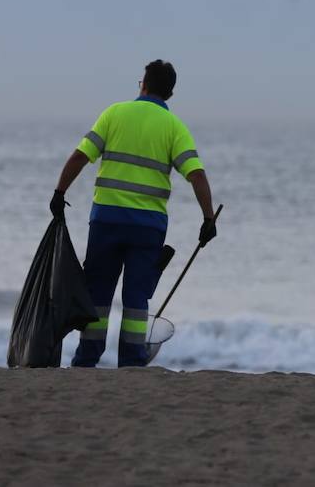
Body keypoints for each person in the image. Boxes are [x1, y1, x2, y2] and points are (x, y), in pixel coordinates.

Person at [51, 59, 218, 367]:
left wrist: (60, 192)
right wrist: (208, 218)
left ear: (143, 84)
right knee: (137, 298)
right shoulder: (174, 127)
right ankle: (131, 362)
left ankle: (87, 359)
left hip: (106, 221)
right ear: (170, 93)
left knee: (97, 292)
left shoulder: (114, 113)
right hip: (147, 227)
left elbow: (80, 157)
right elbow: (196, 175)